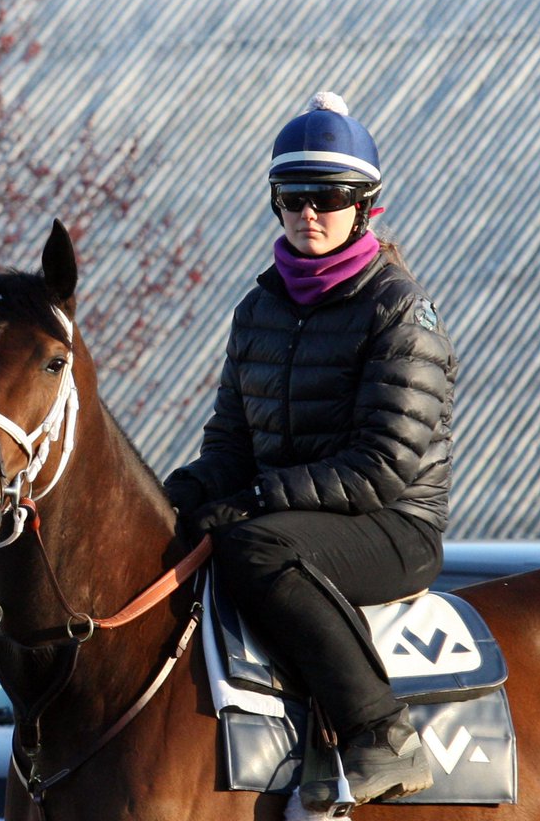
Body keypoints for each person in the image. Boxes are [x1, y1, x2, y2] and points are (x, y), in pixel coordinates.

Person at [164, 92, 456, 809]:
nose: (309, 213)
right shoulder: (257, 310)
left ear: (366, 208)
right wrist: (179, 496)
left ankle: (382, 732)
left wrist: (260, 498)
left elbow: (383, 465)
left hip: (391, 525)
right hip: (291, 518)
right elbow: (230, 445)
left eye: (329, 196)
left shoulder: (397, 308)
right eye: (292, 198)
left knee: (255, 548)